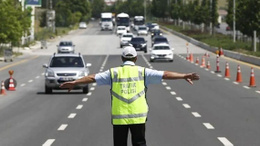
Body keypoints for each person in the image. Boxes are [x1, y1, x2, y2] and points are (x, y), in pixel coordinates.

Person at [59, 46, 200, 146]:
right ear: (136, 58)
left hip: (119, 118)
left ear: (122, 58)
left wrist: (75, 82)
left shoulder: (113, 73)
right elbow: (165, 74)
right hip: (139, 117)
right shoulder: (143, 72)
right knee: (139, 143)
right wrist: (184, 76)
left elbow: (92, 77)